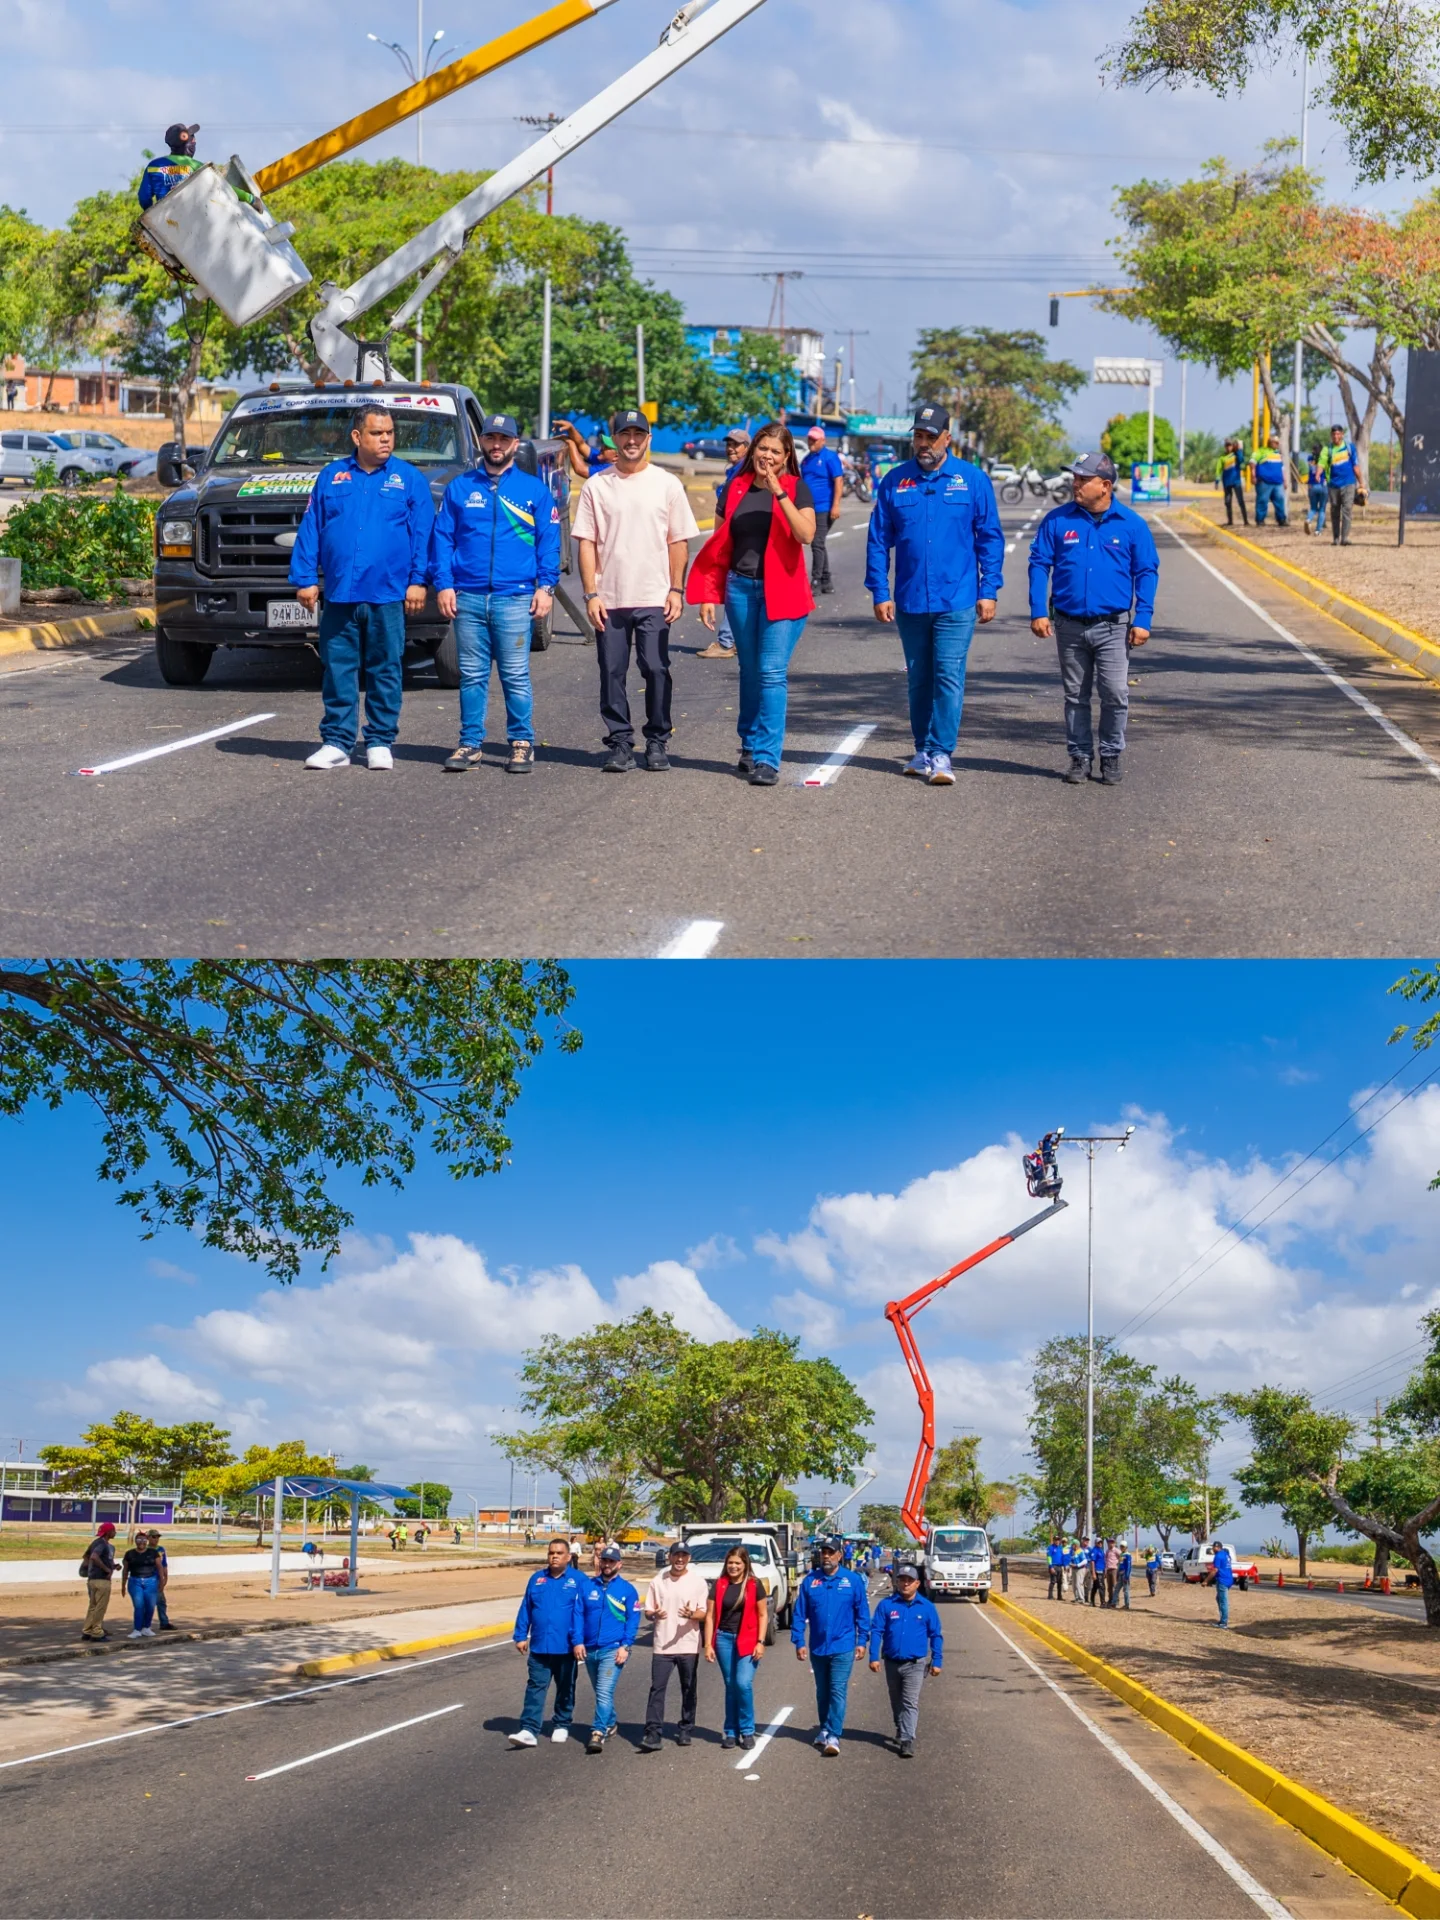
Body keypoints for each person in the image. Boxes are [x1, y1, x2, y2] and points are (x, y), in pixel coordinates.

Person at [290, 403, 434, 771]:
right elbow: (311, 529)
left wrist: (419, 581)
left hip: (387, 593)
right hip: (340, 593)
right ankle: (337, 742)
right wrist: (305, 578)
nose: (385, 439)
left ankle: (380, 740)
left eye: (389, 433)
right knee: (338, 668)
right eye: (376, 433)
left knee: (385, 667)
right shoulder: (332, 476)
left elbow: (422, 535)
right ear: (357, 436)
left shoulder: (408, 478)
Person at [865, 404, 1004, 786]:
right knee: (919, 677)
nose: (922, 444)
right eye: (917, 436)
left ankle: (941, 751)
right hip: (910, 600)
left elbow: (990, 538)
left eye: (930, 436)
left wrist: (988, 588)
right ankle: (922, 747)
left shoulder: (972, 481)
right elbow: (879, 541)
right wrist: (880, 590)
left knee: (947, 674)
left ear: (947, 437)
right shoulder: (895, 482)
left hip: (957, 599)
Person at [686, 421, 816, 786]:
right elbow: (718, 546)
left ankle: (767, 758)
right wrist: (711, 596)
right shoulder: (735, 487)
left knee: (771, 672)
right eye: (763, 449)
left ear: (786, 456)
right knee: (749, 670)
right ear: (752, 450)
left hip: (784, 595)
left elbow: (806, 534)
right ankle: (749, 742)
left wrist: (780, 493)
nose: (768, 456)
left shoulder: (796, 488)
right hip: (740, 591)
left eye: (776, 451)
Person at [571, 409, 700, 774]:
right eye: (624, 434)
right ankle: (621, 742)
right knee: (611, 671)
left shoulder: (667, 484)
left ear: (648, 439)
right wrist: (591, 594)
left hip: (654, 597)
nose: (631, 441)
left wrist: (676, 589)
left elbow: (678, 541)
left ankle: (657, 739)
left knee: (656, 668)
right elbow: (586, 543)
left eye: (638, 434)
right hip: (610, 599)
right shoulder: (597, 485)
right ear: (614, 440)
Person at [431, 412, 559, 776]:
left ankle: (521, 743)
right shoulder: (460, 488)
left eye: (504, 439)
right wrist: (443, 584)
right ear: (481, 442)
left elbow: (548, 543)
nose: (497, 445)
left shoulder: (533, 490)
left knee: (515, 675)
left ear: (515, 444)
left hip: (515, 597)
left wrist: (545, 587)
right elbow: (442, 539)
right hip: (468, 596)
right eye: (491, 438)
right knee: (471, 675)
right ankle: (470, 744)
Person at [1028, 450, 1159, 788]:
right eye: (1074, 477)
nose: (1075, 484)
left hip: (1113, 627)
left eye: (1082, 479)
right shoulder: (1058, 520)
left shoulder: (1131, 524)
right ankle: (1080, 756)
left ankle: (1111, 752)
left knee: (1115, 693)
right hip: (1069, 625)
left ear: (1105, 485)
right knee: (1076, 696)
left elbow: (1146, 571)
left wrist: (1143, 617)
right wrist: (1038, 611)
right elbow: (1039, 564)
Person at [792, 1534, 871, 1756]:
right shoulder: (811, 1581)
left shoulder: (852, 1580)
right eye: (823, 1552)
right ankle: (824, 1728)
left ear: (839, 1555)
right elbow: (799, 1614)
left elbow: (862, 1614)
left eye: (830, 1552)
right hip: (818, 1647)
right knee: (822, 1692)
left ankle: (834, 1734)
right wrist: (799, 1640)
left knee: (837, 1690)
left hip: (843, 1646)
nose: (826, 1556)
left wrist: (862, 1640)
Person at [508, 1536, 587, 1748]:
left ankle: (561, 1723)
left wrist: (582, 1641)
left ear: (569, 1557)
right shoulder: (536, 1579)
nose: (554, 1557)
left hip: (567, 1648)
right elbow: (526, 1607)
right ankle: (529, 1729)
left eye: (559, 1553)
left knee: (565, 1687)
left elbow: (586, 1613)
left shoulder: (579, 1581)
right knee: (535, 1687)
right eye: (551, 1553)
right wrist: (520, 1635)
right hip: (539, 1646)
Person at [868, 1559, 943, 1759]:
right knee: (896, 1701)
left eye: (910, 1580)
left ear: (918, 1583)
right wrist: (873, 1656)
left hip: (915, 1664)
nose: (906, 1584)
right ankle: (901, 1727)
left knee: (910, 1702)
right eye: (902, 1580)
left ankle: (907, 1739)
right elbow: (876, 1631)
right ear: (897, 1582)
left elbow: (936, 1635)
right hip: (892, 1662)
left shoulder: (927, 1607)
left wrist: (937, 1661)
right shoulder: (887, 1605)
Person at [639, 1541, 709, 1751]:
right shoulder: (658, 1580)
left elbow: (703, 1613)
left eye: (684, 1556)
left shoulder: (698, 1582)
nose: (679, 1560)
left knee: (688, 1688)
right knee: (657, 1688)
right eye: (676, 1555)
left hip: (688, 1645)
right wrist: (653, 1615)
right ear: (669, 1557)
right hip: (663, 1645)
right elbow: (648, 1611)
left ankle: (686, 1728)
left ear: (689, 1558)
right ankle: (653, 1733)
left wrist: (691, 1615)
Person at [703, 1545, 768, 1750]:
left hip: (748, 1640)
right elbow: (710, 1616)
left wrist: (761, 1641)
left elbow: (763, 1615)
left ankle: (747, 1730)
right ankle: (731, 1731)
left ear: (745, 1564)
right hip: (723, 1639)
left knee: (742, 1683)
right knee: (731, 1686)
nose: (733, 1566)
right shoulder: (719, 1585)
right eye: (730, 1563)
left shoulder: (754, 1585)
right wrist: (707, 1644)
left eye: (737, 1563)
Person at [696, 428, 751, 660]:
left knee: (733, 585)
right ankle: (736, 640)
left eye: (737, 444)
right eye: (729, 444)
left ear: (747, 448)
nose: (731, 448)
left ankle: (727, 641)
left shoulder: (744, 473)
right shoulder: (734, 471)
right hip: (733, 535)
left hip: (738, 537)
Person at [582, 1543, 640, 1754]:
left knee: (604, 1691)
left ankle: (598, 1732)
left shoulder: (627, 1590)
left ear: (619, 1564)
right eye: (604, 1560)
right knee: (600, 1692)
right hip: (589, 1649)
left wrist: (626, 1646)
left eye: (611, 1561)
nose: (606, 1564)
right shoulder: (589, 1586)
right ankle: (611, 1721)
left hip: (613, 1649)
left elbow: (633, 1621)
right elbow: (579, 1615)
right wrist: (578, 1641)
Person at [801, 425, 845, 594]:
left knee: (817, 542)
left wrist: (835, 505)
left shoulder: (829, 457)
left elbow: (838, 481)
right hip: (809, 509)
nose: (811, 442)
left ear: (823, 441)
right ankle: (827, 581)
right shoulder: (806, 459)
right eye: (809, 439)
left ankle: (816, 580)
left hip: (825, 508)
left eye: (814, 439)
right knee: (818, 543)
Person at [1319, 423, 1362, 545]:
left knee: (1347, 510)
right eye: (1333, 434)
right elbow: (1321, 464)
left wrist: (1362, 483)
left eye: (1338, 433)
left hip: (1349, 484)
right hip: (1333, 485)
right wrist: (1318, 473)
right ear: (1331, 436)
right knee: (1335, 511)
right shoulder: (1328, 449)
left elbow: (1356, 466)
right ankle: (1336, 538)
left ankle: (1345, 538)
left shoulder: (1350, 447)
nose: (1336, 436)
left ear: (1342, 435)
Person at [80, 1520, 118, 1642]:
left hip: (92, 1579)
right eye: (113, 1530)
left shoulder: (95, 1543)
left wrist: (91, 1569)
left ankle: (87, 1630)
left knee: (93, 1606)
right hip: (102, 1580)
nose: (115, 1532)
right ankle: (97, 1631)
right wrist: (106, 1569)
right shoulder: (102, 1544)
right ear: (109, 1532)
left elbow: (86, 1557)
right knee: (100, 1607)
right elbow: (94, 1557)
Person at [121, 1530, 162, 1639]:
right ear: (135, 1541)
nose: (141, 1542)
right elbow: (125, 1570)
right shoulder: (129, 1554)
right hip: (135, 1581)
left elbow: (160, 1567)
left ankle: (146, 1627)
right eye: (139, 1539)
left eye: (144, 1540)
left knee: (150, 1606)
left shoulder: (153, 1553)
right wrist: (123, 1585)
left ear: (147, 1541)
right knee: (139, 1606)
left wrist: (161, 1582)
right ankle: (137, 1629)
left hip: (151, 1581)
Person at [1251, 432, 1289, 526]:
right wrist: (1253, 475)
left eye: (1277, 443)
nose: (1277, 444)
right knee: (1263, 501)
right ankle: (1260, 520)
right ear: (1270, 442)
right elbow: (1252, 462)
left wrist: (1284, 480)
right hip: (1264, 481)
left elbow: (1282, 468)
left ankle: (1281, 520)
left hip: (1278, 482)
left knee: (1280, 500)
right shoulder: (1261, 451)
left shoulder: (1277, 454)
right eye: (1275, 442)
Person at [146, 1529, 174, 1631]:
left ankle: (164, 1622)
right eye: (153, 1537)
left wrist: (165, 1577)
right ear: (148, 1538)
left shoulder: (161, 1550)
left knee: (161, 1601)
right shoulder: (145, 1549)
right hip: (149, 1578)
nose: (156, 1539)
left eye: (157, 1537)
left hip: (158, 1578)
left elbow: (164, 1564)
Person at [1216, 439, 1249, 526]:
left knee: (1241, 501)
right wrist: (1217, 480)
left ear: (1232, 446)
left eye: (1230, 445)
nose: (1228, 447)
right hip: (1227, 483)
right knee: (1227, 502)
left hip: (1236, 482)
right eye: (1227, 445)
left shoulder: (1236, 455)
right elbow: (1218, 469)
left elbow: (1241, 461)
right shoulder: (1222, 458)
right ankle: (1230, 521)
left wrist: (1239, 450)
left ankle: (1246, 521)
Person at [1207, 1540, 1234, 1629]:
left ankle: (1223, 1623)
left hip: (1223, 1580)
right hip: (1229, 1579)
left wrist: (1206, 1581)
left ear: (1218, 1547)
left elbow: (1215, 1570)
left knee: (1223, 1601)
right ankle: (1222, 1620)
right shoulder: (1226, 1554)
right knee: (1219, 1598)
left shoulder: (1218, 1556)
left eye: (1214, 1547)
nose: (1213, 1549)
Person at [1304, 445, 1328, 536]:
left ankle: (1308, 519)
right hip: (1323, 485)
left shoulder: (1310, 459)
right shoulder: (1324, 459)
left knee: (1313, 508)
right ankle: (1318, 531)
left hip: (1312, 485)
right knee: (1322, 509)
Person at [1088, 1536, 1106, 1606]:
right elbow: (1092, 1562)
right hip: (1097, 1571)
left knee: (1095, 1587)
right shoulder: (1094, 1550)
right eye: (1098, 1542)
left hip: (1102, 1570)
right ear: (1095, 1543)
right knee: (1101, 1586)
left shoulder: (1101, 1550)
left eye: (1101, 1542)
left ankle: (1092, 1602)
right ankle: (1103, 1603)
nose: (1100, 1543)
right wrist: (1093, 1573)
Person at [1046, 1535, 1066, 1601]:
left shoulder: (1060, 1548)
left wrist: (1064, 1565)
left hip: (1060, 1566)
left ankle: (1059, 1596)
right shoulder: (1050, 1548)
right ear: (1054, 1540)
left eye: (1058, 1540)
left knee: (1060, 1582)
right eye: (1056, 1540)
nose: (1057, 1541)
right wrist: (1051, 1567)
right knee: (1053, 1581)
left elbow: (1063, 1557)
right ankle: (1050, 1595)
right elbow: (1049, 1557)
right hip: (1053, 1566)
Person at [1115, 1542, 1133, 1610]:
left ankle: (1127, 1605)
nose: (1122, 1548)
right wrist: (1117, 1574)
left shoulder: (1128, 1555)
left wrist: (1127, 1576)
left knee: (1126, 1590)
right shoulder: (1121, 1555)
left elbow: (1128, 1566)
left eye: (1123, 1546)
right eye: (1121, 1546)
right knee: (1116, 1589)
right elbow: (1119, 1565)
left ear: (1126, 1547)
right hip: (1120, 1574)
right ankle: (1114, 1603)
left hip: (1125, 1574)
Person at [1103, 1537, 1120, 1607]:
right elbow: (1106, 1559)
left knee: (1114, 1585)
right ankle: (1110, 1599)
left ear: (1114, 1543)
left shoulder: (1116, 1550)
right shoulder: (1107, 1551)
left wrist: (1118, 1564)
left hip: (1114, 1570)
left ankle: (1116, 1600)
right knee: (1109, 1586)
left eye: (1112, 1542)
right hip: (1108, 1570)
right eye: (1110, 1542)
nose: (1111, 1544)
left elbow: (1121, 1557)